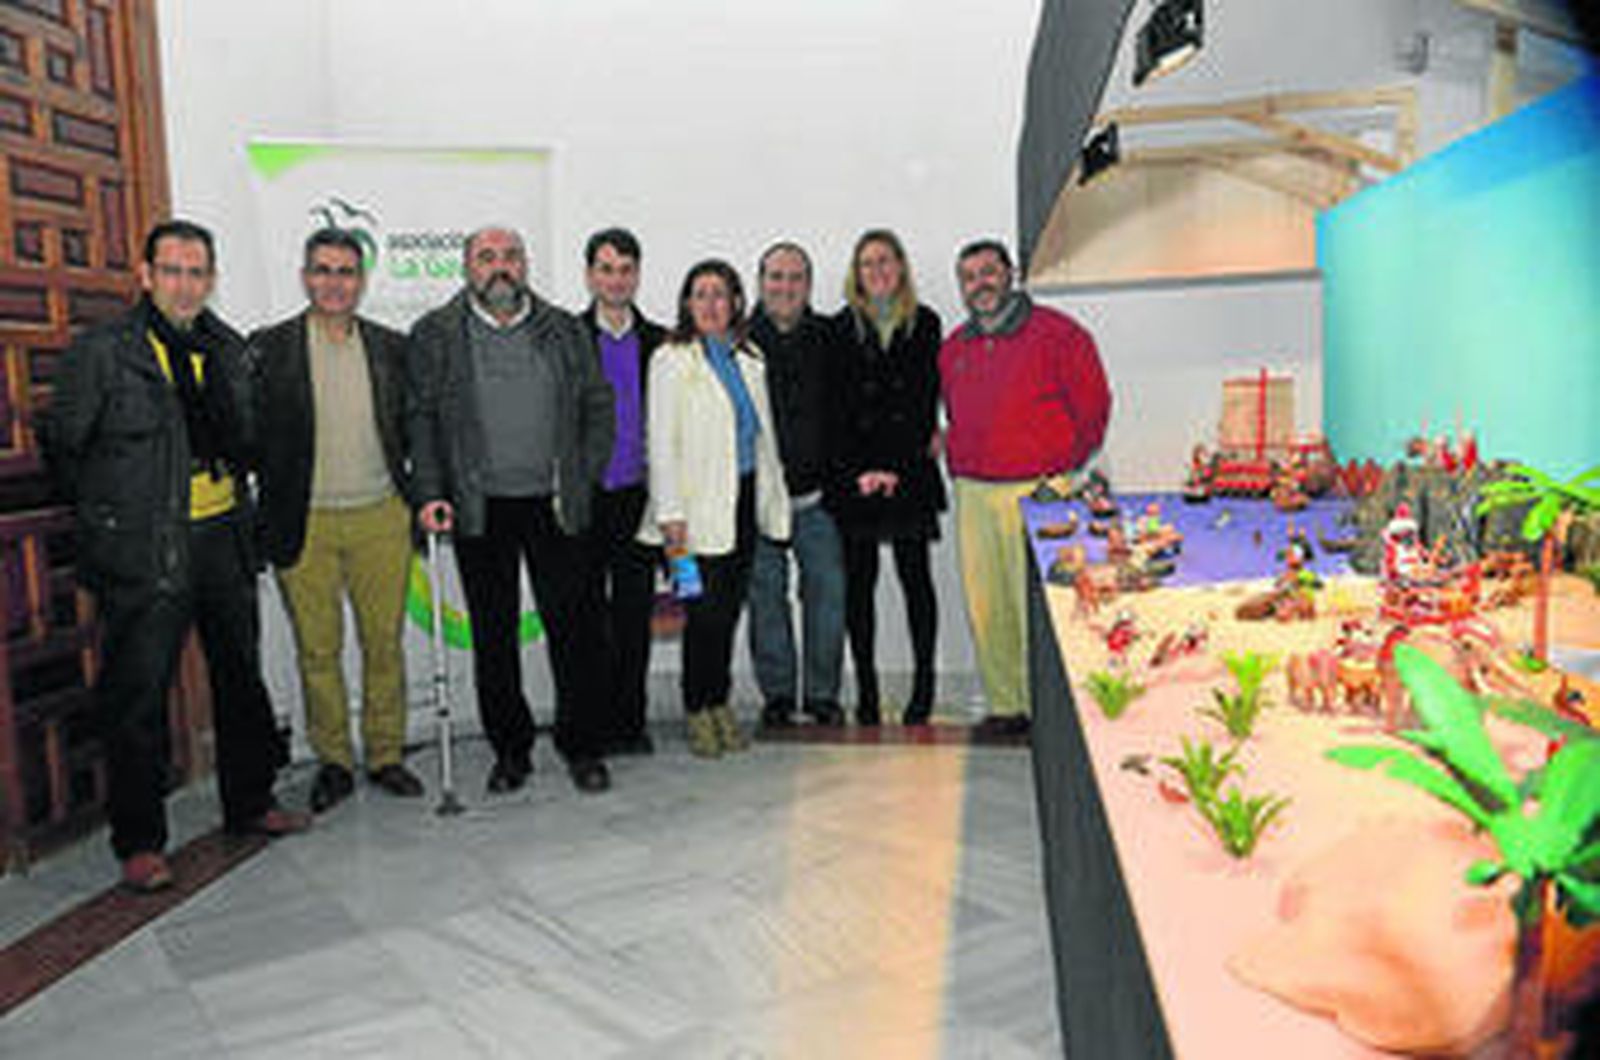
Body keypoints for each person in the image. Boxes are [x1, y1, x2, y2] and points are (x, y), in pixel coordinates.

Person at [40, 219, 308, 892]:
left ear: (210, 279)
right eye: (172, 271)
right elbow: (64, 447)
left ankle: (251, 802)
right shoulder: (105, 351)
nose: (185, 285)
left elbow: (248, 439)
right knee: (137, 695)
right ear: (146, 274)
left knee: (241, 680)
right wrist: (112, 519)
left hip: (224, 540)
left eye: (197, 272)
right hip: (145, 548)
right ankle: (139, 841)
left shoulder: (227, 349)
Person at [406, 226, 614, 795]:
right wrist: (430, 491)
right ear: (467, 268)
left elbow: (598, 403)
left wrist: (585, 472)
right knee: (493, 636)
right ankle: (511, 750)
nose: (500, 267)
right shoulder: (436, 333)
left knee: (573, 630)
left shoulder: (565, 329)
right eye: (487, 257)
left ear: (525, 265)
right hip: (480, 507)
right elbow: (420, 417)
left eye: (511, 257)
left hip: (554, 503)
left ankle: (582, 746)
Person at [251, 227, 424, 814]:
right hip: (305, 521)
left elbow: (415, 428)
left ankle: (385, 754)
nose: (334, 283)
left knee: (384, 644)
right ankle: (333, 761)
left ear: (362, 281)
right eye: (322, 270)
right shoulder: (268, 348)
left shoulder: (392, 347)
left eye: (346, 272)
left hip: (382, 516)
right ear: (305, 277)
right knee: (317, 650)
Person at [939, 239, 1111, 739]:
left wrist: (1062, 469)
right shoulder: (954, 347)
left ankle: (1049, 712)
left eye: (989, 272)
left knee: (1039, 609)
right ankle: (1006, 707)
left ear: (1010, 274)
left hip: (1040, 492)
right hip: (974, 492)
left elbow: (1094, 408)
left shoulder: (1060, 335)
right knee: (987, 607)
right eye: (969, 277)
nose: (980, 284)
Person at [639, 260, 789, 757]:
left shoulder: (750, 357)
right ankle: (697, 709)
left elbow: (763, 439)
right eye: (699, 294)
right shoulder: (669, 359)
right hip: (684, 520)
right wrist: (670, 520)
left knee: (725, 614)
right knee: (699, 615)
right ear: (687, 303)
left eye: (719, 294)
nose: (709, 304)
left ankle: (719, 702)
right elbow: (661, 445)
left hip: (740, 506)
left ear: (736, 303)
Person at [828, 230, 945, 726]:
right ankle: (868, 691)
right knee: (858, 588)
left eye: (885, 261)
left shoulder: (926, 322)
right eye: (867, 263)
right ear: (856, 273)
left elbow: (923, 401)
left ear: (901, 267)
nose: (876, 271)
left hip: (909, 471)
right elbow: (835, 411)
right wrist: (861, 472)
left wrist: (895, 468)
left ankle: (924, 687)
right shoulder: (838, 328)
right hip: (856, 478)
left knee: (917, 581)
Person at [745, 242, 847, 729]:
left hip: (818, 498)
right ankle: (779, 695)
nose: (785, 287)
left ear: (808, 285)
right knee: (766, 598)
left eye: (795, 277)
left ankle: (823, 695)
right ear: (761, 282)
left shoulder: (832, 337)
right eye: (776, 276)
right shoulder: (737, 341)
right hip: (759, 500)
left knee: (828, 595)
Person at [577, 227, 666, 755]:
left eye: (625, 270)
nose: (616, 280)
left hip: (639, 500)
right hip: (586, 501)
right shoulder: (567, 337)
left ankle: (630, 723)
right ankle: (592, 723)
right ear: (590, 276)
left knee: (634, 618)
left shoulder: (660, 342)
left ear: (637, 275)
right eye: (606, 269)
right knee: (587, 620)